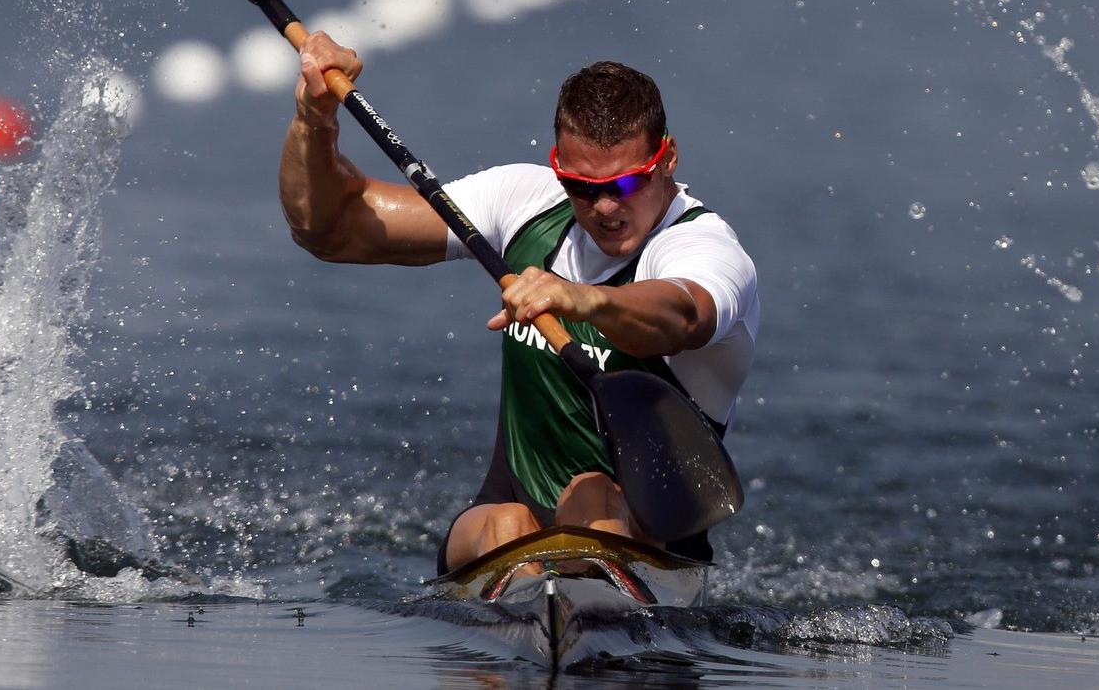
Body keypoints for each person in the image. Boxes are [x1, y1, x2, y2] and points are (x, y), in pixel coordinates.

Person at [278, 32, 759, 573]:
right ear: (557, 166)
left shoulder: (703, 247)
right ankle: (538, 603)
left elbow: (682, 316)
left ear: (666, 158)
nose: (603, 207)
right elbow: (331, 228)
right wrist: (314, 119)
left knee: (593, 493)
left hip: (650, 547)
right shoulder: (526, 201)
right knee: (506, 523)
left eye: (625, 184)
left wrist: (584, 299)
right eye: (581, 186)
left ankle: (571, 596)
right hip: (508, 534)